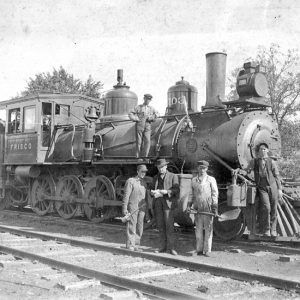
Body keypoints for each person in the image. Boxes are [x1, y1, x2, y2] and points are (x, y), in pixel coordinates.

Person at [240, 142, 282, 237]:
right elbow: (247, 171)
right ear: (258, 152)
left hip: (273, 186)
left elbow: (277, 176)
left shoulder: (272, 162)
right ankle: (266, 230)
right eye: (260, 150)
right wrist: (239, 171)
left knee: (274, 209)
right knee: (266, 208)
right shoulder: (254, 161)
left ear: (267, 150)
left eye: (264, 149)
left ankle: (273, 230)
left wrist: (280, 189)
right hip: (262, 188)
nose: (262, 151)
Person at [187, 160, 218, 257]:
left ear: (207, 169)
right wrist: (189, 205)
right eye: (200, 168)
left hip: (208, 207)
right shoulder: (194, 180)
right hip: (198, 208)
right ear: (198, 168)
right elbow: (191, 194)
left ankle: (207, 250)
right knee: (198, 230)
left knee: (208, 229)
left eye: (204, 168)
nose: (202, 170)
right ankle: (199, 250)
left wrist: (214, 207)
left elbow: (214, 193)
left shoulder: (211, 180)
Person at [151, 158, 179, 255]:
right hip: (158, 203)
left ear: (166, 166)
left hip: (168, 204)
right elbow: (150, 189)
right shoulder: (155, 177)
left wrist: (167, 192)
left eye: (162, 167)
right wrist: (153, 192)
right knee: (160, 226)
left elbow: (176, 190)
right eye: (159, 167)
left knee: (169, 226)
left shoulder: (173, 176)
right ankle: (162, 247)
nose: (160, 169)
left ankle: (171, 248)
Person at [122, 164, 149, 251]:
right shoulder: (131, 181)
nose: (143, 173)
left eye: (145, 172)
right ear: (137, 171)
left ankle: (136, 245)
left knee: (140, 226)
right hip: (133, 205)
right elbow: (126, 195)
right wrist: (124, 208)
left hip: (142, 207)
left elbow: (146, 196)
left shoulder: (144, 182)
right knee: (132, 225)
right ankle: (130, 245)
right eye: (142, 171)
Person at [128, 94, 158, 158]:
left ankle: (145, 157)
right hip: (139, 125)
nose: (148, 101)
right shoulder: (138, 107)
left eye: (149, 100)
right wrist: (136, 119)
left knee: (147, 141)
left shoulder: (151, 108)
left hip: (148, 125)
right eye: (147, 99)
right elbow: (130, 113)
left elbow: (157, 114)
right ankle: (138, 157)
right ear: (144, 99)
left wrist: (151, 118)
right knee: (139, 142)